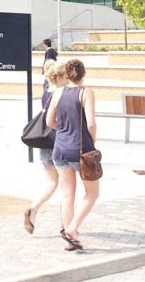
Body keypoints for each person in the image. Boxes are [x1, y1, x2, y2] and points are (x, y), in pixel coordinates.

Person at [45, 59, 98, 252]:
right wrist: (91, 141)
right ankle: (72, 229)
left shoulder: (57, 93)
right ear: (84, 74)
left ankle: (70, 240)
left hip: (60, 148)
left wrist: (64, 131)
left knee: (67, 194)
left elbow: (50, 121)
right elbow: (91, 124)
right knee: (92, 193)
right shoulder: (86, 93)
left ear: (67, 75)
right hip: (81, 149)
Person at [24, 60, 66, 235]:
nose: (68, 79)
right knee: (66, 186)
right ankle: (65, 225)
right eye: (65, 76)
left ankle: (33, 209)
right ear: (58, 77)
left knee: (51, 182)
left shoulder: (46, 92)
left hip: (45, 141)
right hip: (60, 141)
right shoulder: (61, 93)